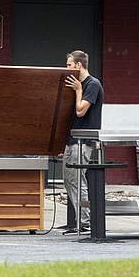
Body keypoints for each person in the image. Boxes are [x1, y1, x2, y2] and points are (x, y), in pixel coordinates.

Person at [62, 50, 103, 234]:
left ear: (79, 65)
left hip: (84, 141)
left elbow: (80, 111)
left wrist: (78, 90)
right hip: (72, 139)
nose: (67, 68)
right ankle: (80, 219)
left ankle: (85, 221)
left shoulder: (92, 85)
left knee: (78, 179)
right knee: (68, 178)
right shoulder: (75, 85)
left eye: (69, 65)